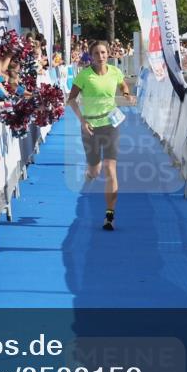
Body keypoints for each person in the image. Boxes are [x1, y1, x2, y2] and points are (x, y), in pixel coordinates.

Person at [67, 41, 136, 231]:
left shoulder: (114, 71)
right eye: (97, 53)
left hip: (110, 123)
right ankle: (89, 173)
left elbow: (122, 84)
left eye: (104, 52)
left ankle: (109, 216)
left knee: (110, 168)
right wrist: (82, 121)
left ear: (108, 54)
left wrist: (127, 94)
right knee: (95, 171)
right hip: (90, 126)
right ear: (91, 56)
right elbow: (71, 100)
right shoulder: (84, 75)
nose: (101, 56)